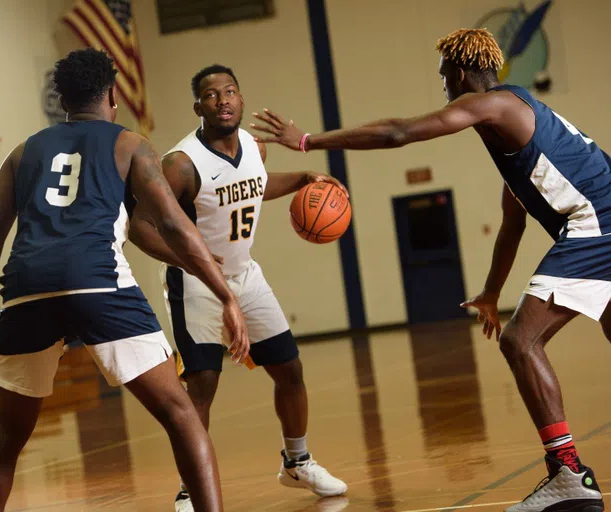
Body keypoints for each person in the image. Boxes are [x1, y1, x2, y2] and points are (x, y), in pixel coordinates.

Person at [251, 28, 610, 512]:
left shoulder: (495, 105)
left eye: (443, 76)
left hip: (598, 223)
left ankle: (567, 473)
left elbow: (399, 133)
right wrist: (489, 292)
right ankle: (567, 475)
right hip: (601, 218)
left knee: (520, 340)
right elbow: (512, 221)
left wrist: (310, 140)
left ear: (460, 74)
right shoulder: (516, 128)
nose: (442, 87)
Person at [0, 49, 250, 512]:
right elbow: (174, 224)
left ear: (61, 99)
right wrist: (225, 294)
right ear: (113, 93)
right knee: (181, 413)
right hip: (97, 284)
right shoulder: (129, 144)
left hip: (25, 292)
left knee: (7, 435)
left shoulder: (22, 153)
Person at [128, 64, 348, 512]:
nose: (223, 100)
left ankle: (297, 462)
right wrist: (188, 259)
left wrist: (304, 179)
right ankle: (191, 489)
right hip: (194, 282)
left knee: (289, 370)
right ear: (199, 107)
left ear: (241, 99)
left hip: (245, 276)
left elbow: (253, 188)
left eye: (230, 91)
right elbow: (139, 225)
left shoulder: (254, 148)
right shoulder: (180, 165)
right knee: (203, 382)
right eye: (212, 95)